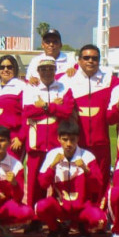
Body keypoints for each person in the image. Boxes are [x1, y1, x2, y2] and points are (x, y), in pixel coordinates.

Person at [59, 44, 119, 202]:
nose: (90, 61)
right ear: (79, 60)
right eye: (86, 58)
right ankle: (76, 211)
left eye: (94, 58)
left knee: (101, 181)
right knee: (76, 180)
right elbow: (47, 83)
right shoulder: (67, 79)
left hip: (101, 143)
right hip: (77, 143)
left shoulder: (109, 80)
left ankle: (100, 212)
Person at [34, 122, 106, 237]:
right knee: (41, 207)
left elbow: (97, 186)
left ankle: (83, 227)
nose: (68, 144)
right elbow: (42, 183)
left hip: (82, 208)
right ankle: (55, 229)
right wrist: (52, 166)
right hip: (60, 207)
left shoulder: (88, 156)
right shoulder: (52, 155)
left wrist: (86, 170)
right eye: (65, 139)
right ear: (58, 139)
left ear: (78, 139)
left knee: (100, 220)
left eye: (72, 140)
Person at [21, 55, 74, 220]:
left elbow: (67, 112)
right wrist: (54, 107)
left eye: (50, 69)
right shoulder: (31, 88)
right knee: (34, 184)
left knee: (60, 180)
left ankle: (60, 216)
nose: (47, 72)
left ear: (55, 70)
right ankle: (34, 218)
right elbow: (28, 112)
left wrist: (44, 106)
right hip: (36, 143)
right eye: (43, 69)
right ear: (38, 71)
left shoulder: (64, 88)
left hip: (57, 143)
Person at [0, 55, 26, 161]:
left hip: (13, 137)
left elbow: (26, 115)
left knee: (12, 167)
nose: (5, 70)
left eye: (9, 67)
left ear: (15, 68)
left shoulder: (21, 86)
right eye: (2, 67)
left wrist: (21, 137)